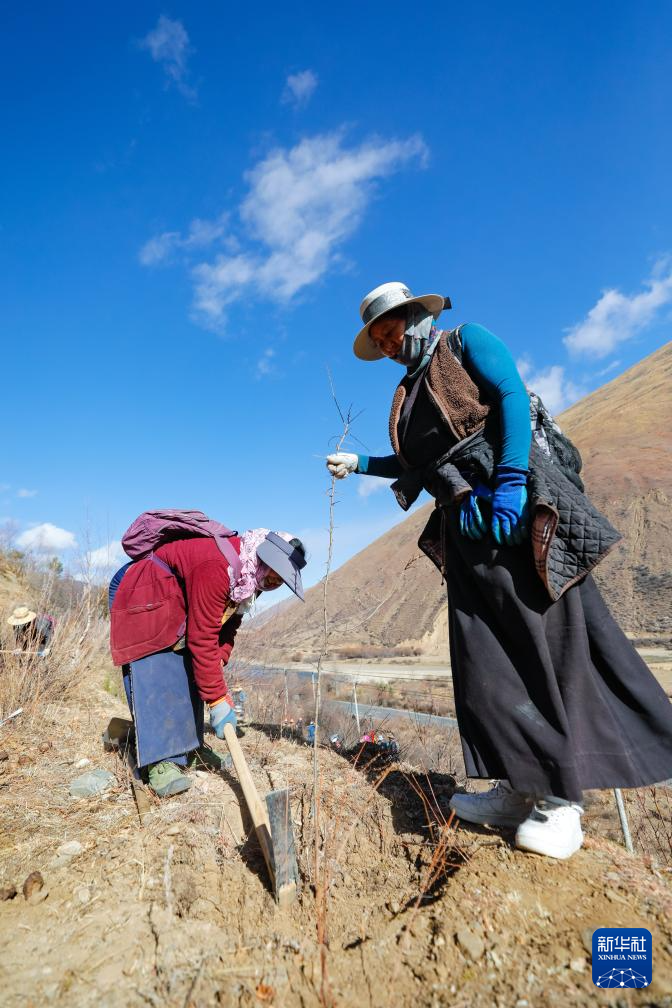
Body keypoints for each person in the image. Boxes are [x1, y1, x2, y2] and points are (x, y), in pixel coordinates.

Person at [327, 280, 672, 860]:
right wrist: (360, 463)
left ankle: (561, 803)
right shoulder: (406, 391)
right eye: (378, 342)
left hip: (509, 510)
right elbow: (419, 460)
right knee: (486, 658)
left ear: (414, 317)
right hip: (464, 526)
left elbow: (510, 395)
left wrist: (511, 483)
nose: (387, 346)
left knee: (543, 643)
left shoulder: (465, 342)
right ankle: (518, 786)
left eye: (390, 333)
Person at [109, 529, 306, 797]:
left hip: (175, 600)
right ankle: (160, 761)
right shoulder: (218, 566)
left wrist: (218, 663)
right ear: (262, 556)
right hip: (142, 590)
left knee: (195, 669)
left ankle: (190, 747)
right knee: (156, 669)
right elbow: (202, 637)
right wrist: (216, 698)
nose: (273, 580)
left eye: (281, 578)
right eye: (273, 571)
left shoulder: (250, 578)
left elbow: (227, 627)